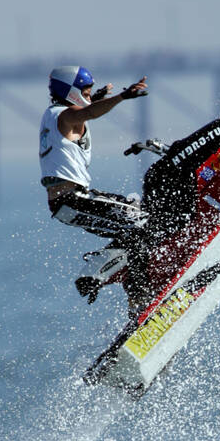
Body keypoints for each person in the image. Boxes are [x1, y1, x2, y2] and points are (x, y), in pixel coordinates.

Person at [39, 65, 149, 305]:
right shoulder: (65, 116)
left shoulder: (54, 114)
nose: (89, 96)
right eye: (86, 92)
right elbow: (85, 114)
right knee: (140, 223)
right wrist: (123, 96)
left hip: (73, 200)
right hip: (72, 200)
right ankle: (96, 274)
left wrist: (95, 99)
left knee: (138, 220)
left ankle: (137, 299)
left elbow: (84, 112)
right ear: (71, 92)